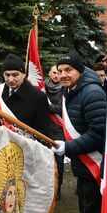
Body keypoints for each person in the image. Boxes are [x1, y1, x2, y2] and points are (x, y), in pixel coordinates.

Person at [52, 50, 107, 213]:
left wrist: (69, 147)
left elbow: (98, 133)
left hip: (96, 166)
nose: (64, 74)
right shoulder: (71, 91)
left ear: (80, 71)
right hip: (82, 168)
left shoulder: (91, 93)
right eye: (60, 71)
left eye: (69, 70)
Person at [0, 54, 51, 137]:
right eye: (7, 75)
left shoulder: (38, 97)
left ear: (23, 74)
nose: (11, 79)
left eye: (15, 75)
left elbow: (43, 131)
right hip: (1, 144)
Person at [44, 65, 66, 200]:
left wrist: (46, 107)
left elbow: (61, 108)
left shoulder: (64, 89)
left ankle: (58, 189)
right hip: (44, 129)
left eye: (59, 73)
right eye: (54, 73)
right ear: (49, 74)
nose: (56, 75)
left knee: (59, 161)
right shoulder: (42, 88)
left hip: (58, 130)